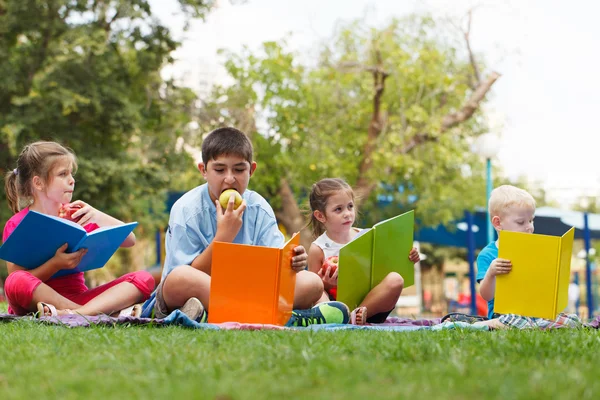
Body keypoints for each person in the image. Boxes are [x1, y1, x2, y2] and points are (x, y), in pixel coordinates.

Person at [140, 127, 349, 325]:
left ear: (252, 170)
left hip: (248, 290)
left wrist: (292, 261)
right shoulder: (186, 210)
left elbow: (276, 268)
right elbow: (183, 275)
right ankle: (284, 317)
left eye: (239, 169)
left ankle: (213, 315)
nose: (229, 179)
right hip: (203, 290)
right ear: (203, 170)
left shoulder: (259, 208)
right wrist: (224, 237)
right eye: (219, 169)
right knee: (180, 278)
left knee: (311, 281)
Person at [3, 141, 154, 317]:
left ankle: (75, 314)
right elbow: (15, 279)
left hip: (79, 298)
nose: (72, 180)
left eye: (71, 173)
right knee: (16, 281)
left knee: (144, 278)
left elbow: (130, 240)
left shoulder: (78, 216)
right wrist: (55, 264)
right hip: (35, 301)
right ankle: (88, 313)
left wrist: (97, 215)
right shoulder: (18, 224)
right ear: (38, 183)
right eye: (63, 174)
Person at [306, 178, 420, 325]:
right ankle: (337, 317)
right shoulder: (319, 248)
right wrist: (327, 284)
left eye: (350, 206)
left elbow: (387, 264)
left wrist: (409, 257)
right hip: (337, 305)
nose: (347, 213)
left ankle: (357, 315)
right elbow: (312, 289)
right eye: (338, 209)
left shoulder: (366, 236)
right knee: (319, 292)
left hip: (373, 306)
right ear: (320, 216)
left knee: (396, 279)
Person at [472, 184, 580, 330]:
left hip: (538, 315)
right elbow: (486, 296)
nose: (529, 227)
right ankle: (484, 325)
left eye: (531, 220)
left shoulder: (536, 251)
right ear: (498, 223)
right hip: (506, 316)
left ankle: (536, 325)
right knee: (512, 321)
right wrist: (491, 273)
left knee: (572, 320)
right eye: (521, 222)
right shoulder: (488, 254)